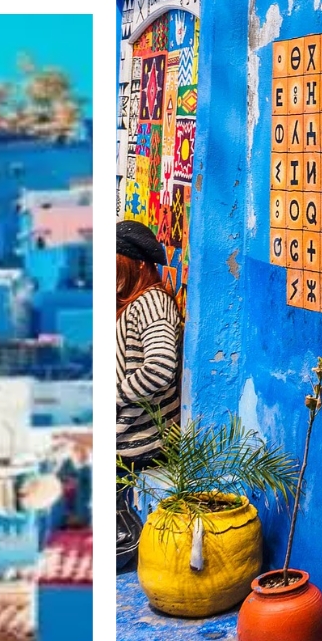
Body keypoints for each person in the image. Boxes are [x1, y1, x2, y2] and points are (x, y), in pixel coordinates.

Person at [114, 214, 182, 562]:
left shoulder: (152, 303)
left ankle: (124, 538)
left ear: (139, 266)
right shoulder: (132, 300)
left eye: (117, 266)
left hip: (138, 442)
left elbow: (160, 367)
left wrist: (114, 397)